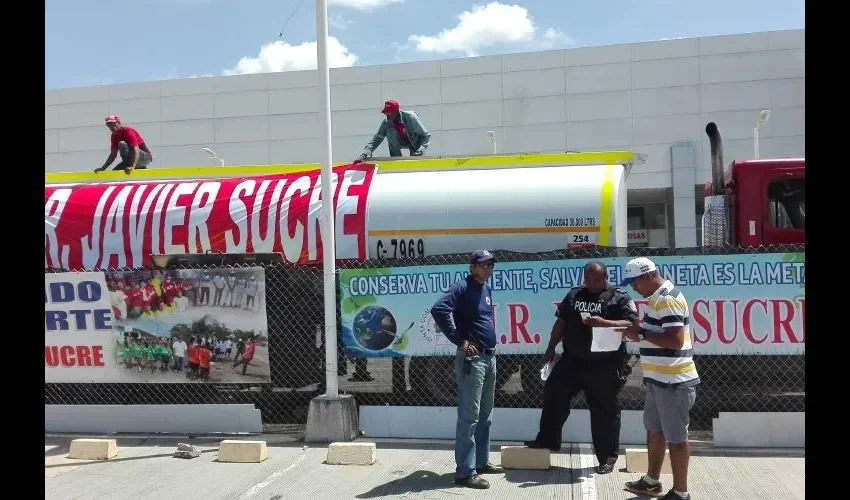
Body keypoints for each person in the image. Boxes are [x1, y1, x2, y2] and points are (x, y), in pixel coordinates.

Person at [524, 262, 638, 474]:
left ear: (606, 277)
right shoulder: (575, 295)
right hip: (572, 360)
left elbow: (632, 326)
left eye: (595, 280)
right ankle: (547, 441)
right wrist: (551, 346)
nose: (591, 284)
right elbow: (561, 322)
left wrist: (604, 323)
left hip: (604, 364)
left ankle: (607, 458)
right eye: (587, 279)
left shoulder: (619, 297)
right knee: (553, 394)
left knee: (604, 411)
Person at [617, 257, 700, 500]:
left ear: (647, 276)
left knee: (676, 439)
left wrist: (641, 333)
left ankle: (681, 492)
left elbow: (675, 341)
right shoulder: (658, 298)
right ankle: (651, 482)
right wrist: (639, 334)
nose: (634, 288)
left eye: (635, 282)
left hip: (674, 382)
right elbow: (659, 335)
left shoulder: (667, 299)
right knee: (655, 430)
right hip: (659, 380)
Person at [430, 250, 504, 490]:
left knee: (485, 415)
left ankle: (480, 462)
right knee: (469, 417)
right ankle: (464, 472)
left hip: (489, 357)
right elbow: (439, 309)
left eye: (490, 265)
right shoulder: (461, 287)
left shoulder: (485, 289)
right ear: (472, 267)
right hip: (473, 359)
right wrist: (459, 340)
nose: (487, 269)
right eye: (483, 265)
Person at [354, 99, 431, 162]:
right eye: (386, 113)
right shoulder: (386, 122)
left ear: (396, 111)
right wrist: (365, 153)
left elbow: (426, 135)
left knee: (415, 156)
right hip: (399, 141)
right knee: (390, 131)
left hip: (415, 142)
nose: (387, 115)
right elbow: (377, 139)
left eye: (389, 112)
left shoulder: (411, 117)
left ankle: (416, 156)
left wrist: (421, 150)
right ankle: (396, 158)